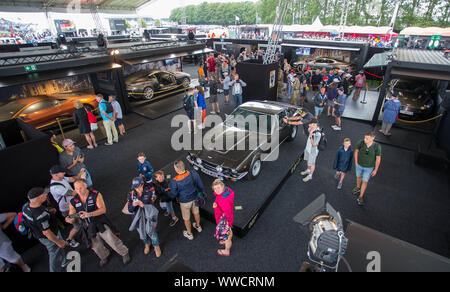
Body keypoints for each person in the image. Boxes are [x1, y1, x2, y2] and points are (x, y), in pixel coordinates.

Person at [67, 179, 130, 267]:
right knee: (95, 246)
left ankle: (124, 252)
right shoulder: (73, 201)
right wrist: (70, 219)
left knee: (112, 239)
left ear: (85, 186)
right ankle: (104, 255)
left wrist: (89, 214)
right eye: (76, 188)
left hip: (100, 222)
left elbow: (103, 209)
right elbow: (72, 215)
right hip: (88, 226)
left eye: (80, 187)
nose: (78, 190)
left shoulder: (95, 194)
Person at [22, 187, 70, 272]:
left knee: (59, 249)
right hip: (50, 236)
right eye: (44, 194)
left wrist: (49, 212)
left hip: (38, 235)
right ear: (39, 198)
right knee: (54, 254)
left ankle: (64, 261)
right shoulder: (41, 215)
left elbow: (35, 220)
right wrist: (58, 241)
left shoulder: (26, 208)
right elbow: (47, 232)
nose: (46, 195)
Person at [49, 165, 86, 248]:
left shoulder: (61, 179)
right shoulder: (56, 187)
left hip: (73, 205)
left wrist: (80, 173)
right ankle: (69, 239)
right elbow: (73, 193)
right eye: (62, 172)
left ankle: (84, 234)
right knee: (77, 225)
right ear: (55, 175)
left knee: (82, 220)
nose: (64, 173)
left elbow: (72, 179)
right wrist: (82, 180)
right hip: (68, 209)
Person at [168, 161, 204, 241]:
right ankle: (198, 226)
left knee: (186, 218)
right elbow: (200, 186)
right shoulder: (193, 174)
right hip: (195, 198)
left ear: (177, 170)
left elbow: (173, 194)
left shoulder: (175, 181)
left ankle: (189, 233)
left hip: (184, 202)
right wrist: (200, 194)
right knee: (196, 212)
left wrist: (167, 194)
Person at [127, 177, 161, 257]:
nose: (137, 189)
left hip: (147, 217)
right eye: (135, 187)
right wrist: (133, 205)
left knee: (152, 232)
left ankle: (156, 246)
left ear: (142, 185)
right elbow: (130, 210)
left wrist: (153, 220)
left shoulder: (148, 193)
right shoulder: (131, 195)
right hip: (138, 219)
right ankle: (147, 244)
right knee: (142, 233)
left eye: (138, 187)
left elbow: (152, 208)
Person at [352, 132, 381, 206]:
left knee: (365, 181)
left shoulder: (377, 147)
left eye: (367, 138)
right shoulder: (360, 143)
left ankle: (361, 196)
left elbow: (378, 159)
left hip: (369, 168)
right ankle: (358, 187)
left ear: (372, 138)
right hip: (359, 165)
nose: (365, 140)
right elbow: (356, 151)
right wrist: (356, 162)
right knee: (358, 177)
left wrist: (375, 170)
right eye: (365, 138)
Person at [212, 179, 234, 257]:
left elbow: (226, 213)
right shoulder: (225, 192)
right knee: (229, 232)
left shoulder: (223, 200)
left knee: (227, 237)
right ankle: (226, 238)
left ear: (223, 186)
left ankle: (226, 250)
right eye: (214, 188)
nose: (216, 190)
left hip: (225, 221)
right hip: (227, 219)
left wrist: (216, 207)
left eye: (218, 188)